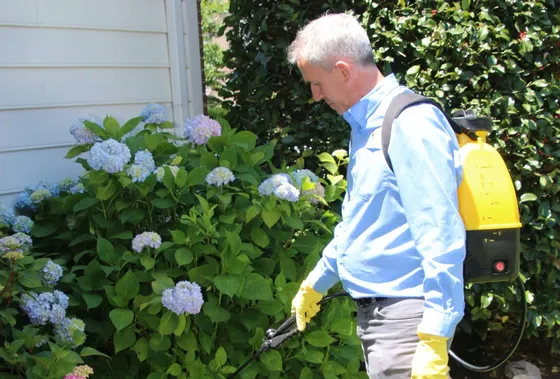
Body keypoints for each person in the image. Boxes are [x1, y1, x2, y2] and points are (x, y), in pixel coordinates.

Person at [287, 13, 466, 379]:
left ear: (343, 70)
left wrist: (434, 336)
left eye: (317, 83)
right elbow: (362, 221)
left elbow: (441, 234)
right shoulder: (366, 125)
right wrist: (317, 282)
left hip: (407, 323)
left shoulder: (409, 124)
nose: (315, 95)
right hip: (381, 319)